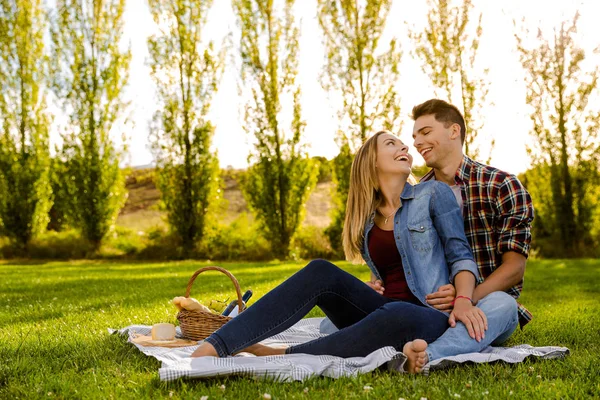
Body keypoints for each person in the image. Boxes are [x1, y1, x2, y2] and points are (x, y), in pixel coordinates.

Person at [192, 130, 485, 373]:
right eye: (391, 143)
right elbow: (392, 272)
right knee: (321, 270)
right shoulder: (368, 223)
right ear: (372, 164)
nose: (404, 146)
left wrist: (462, 299)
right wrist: (372, 286)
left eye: (402, 143)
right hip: (379, 314)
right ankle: (217, 344)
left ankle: (282, 352)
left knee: (398, 312)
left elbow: (460, 254)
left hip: (428, 314)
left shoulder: (433, 194)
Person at [405, 98, 535, 370]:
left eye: (426, 132)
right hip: (434, 305)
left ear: (454, 131)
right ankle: (436, 338)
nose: (417, 142)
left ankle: (427, 355)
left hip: (486, 302)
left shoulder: (501, 185)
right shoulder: (415, 196)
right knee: (331, 322)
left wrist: (465, 299)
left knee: (504, 305)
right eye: (414, 136)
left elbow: (514, 269)